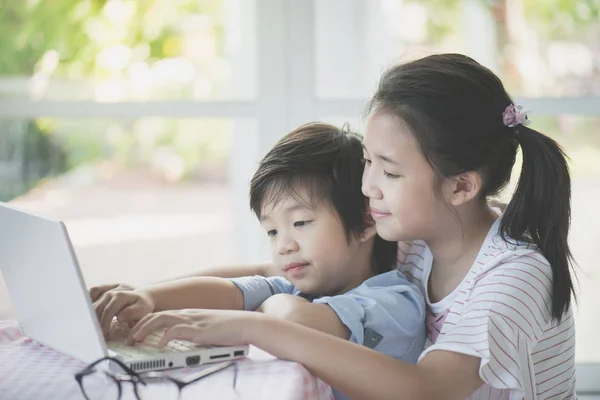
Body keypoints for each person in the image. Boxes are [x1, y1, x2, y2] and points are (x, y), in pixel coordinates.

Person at [92, 53, 577, 399]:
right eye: (368, 162)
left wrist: (247, 326)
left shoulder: (515, 275)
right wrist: (150, 295)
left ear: (460, 187)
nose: (367, 187)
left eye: (390, 171)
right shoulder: (415, 240)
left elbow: (426, 390)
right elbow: (274, 272)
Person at [92, 123, 426, 399]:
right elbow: (225, 291)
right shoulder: (307, 286)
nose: (284, 245)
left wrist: (259, 309)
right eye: (271, 231)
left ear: (365, 222)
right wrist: (146, 297)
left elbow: (295, 320)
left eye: (300, 224)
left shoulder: (392, 303)